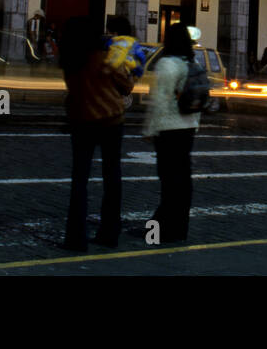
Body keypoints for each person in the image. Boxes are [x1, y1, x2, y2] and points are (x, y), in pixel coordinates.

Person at [60, 15, 129, 251]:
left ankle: (75, 237)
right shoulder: (106, 57)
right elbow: (126, 85)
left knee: (79, 179)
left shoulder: (70, 59)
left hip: (81, 120)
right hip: (111, 120)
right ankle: (110, 232)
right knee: (112, 177)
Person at [142, 23, 201, 243]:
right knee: (183, 181)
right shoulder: (191, 62)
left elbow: (159, 100)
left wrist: (149, 128)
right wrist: (194, 123)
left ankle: (158, 231)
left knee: (168, 182)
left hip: (168, 129)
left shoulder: (166, 64)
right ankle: (179, 230)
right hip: (188, 129)